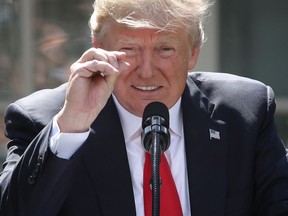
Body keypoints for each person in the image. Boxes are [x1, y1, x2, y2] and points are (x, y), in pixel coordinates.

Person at [1, 0, 288, 215]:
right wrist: (73, 123)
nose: (146, 71)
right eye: (128, 50)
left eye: (165, 49)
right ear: (98, 47)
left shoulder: (244, 112)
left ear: (193, 53)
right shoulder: (44, 119)